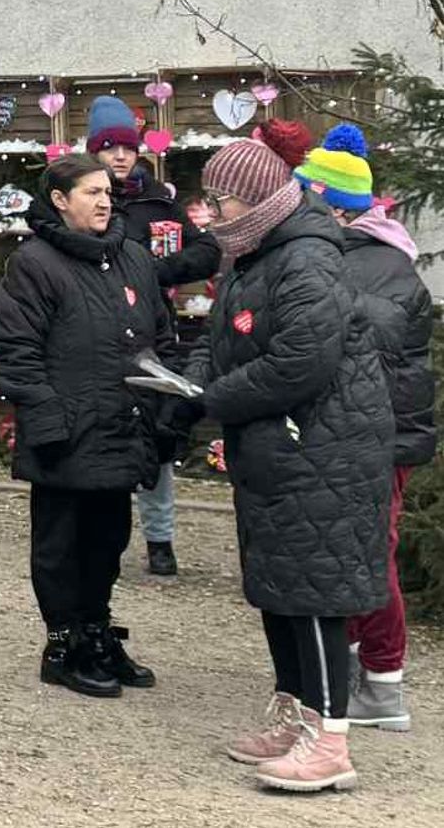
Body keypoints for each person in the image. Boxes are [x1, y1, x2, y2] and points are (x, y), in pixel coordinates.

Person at [186, 139, 393, 792]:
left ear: (253, 199)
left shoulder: (306, 256)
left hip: (322, 453)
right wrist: (190, 382)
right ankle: (295, 712)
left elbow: (301, 362)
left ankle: (330, 743)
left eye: (218, 199)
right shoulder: (253, 255)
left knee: (314, 594)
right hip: (280, 449)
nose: (210, 211)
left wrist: (213, 399)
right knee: (280, 586)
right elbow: (223, 339)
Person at [0, 153, 171, 700]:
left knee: (108, 540)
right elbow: (17, 351)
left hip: (121, 426)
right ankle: (63, 645)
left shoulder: (133, 257)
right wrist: (48, 422)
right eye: (91, 192)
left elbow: (160, 337)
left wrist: (163, 409)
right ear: (59, 200)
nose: (103, 201)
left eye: (107, 192)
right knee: (60, 547)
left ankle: (96, 632)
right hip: (65, 434)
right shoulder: (35, 264)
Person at [293, 125, 436, 732]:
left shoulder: (355, 267)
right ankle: (355, 668)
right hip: (376, 435)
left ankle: (383, 681)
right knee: (353, 553)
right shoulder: (376, 257)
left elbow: (338, 355)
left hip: (373, 439)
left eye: (304, 197)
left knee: (370, 557)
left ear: (333, 208)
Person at [88, 95, 221, 577]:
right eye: (110, 148)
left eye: (128, 147)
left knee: (157, 435)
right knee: (100, 434)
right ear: (94, 151)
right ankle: (100, 539)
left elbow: (207, 252)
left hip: (151, 332)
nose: (121, 156)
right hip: (95, 331)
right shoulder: (81, 199)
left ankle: (160, 538)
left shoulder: (159, 203)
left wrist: (154, 272)